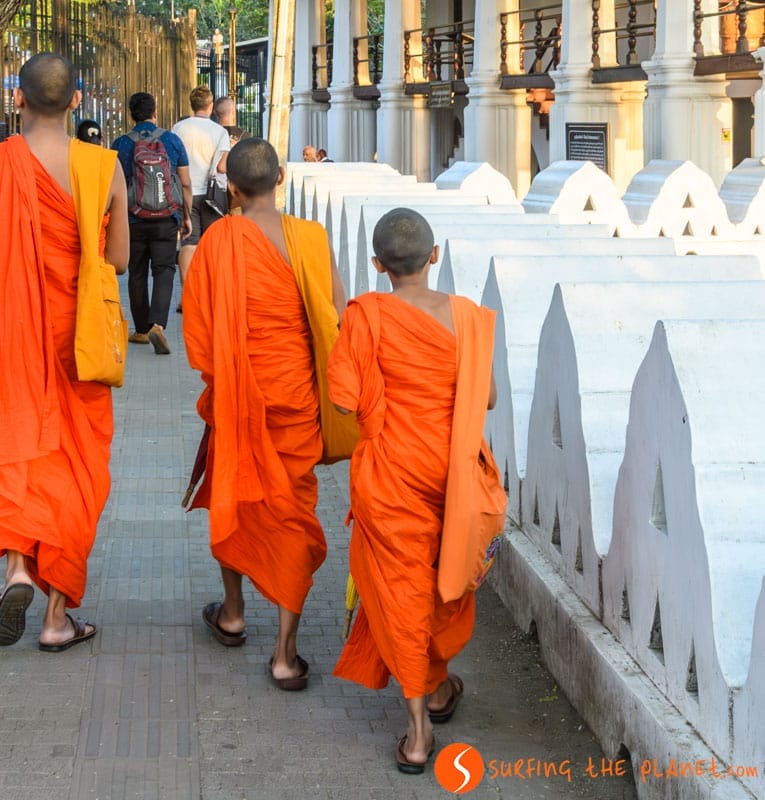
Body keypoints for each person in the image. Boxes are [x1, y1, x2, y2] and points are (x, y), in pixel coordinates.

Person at [0, 53, 129, 653]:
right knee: (74, 466)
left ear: (17, 98)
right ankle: (56, 618)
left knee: (21, 452)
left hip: (12, 339)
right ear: (77, 101)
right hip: (79, 343)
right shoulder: (104, 167)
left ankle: (18, 566)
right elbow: (117, 262)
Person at [328, 207, 504, 775]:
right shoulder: (468, 318)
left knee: (400, 591)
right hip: (453, 475)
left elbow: (341, 401)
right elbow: (489, 399)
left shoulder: (366, 314)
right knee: (443, 581)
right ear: (434, 257)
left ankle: (419, 730)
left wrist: (383, 399)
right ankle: (437, 689)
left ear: (378, 265)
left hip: (390, 475)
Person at [183, 138, 347, 692]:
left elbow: (201, 343)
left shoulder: (217, 240)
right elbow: (335, 316)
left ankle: (232, 612)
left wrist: (224, 378)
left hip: (237, 397)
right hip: (296, 398)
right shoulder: (310, 238)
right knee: (292, 511)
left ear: (231, 187)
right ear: (281, 179)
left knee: (233, 492)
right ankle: (285, 653)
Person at [110, 91, 192, 355]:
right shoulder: (172, 140)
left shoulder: (121, 143)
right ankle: (159, 323)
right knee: (164, 269)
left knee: (137, 272)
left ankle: (142, 330)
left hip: (133, 217)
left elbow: (116, 185)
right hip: (167, 217)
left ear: (130, 114)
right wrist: (185, 215)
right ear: (155, 112)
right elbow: (186, 182)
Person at [171, 85, 230, 289]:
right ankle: (210, 291)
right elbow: (222, 167)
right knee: (212, 243)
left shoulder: (178, 129)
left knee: (189, 242)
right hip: (212, 194)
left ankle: (187, 294)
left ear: (192, 105)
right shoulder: (220, 131)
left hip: (185, 191)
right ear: (211, 106)